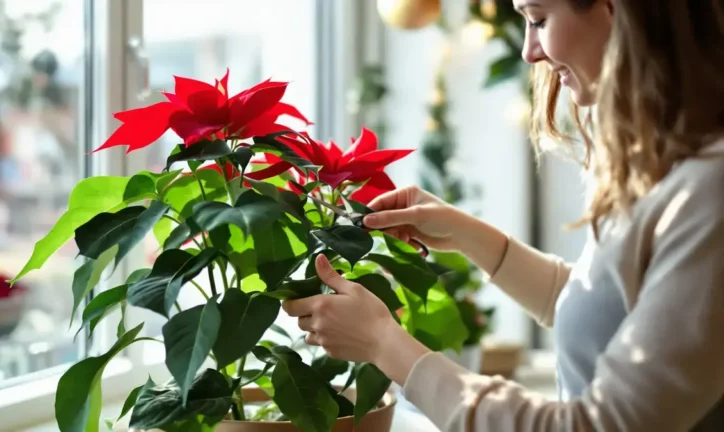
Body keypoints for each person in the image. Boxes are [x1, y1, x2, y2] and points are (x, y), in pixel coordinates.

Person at [283, 0, 724, 430]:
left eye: (538, 19)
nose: (529, 51)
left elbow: (603, 423)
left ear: (617, 11)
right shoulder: (667, 164)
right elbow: (605, 308)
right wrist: (467, 235)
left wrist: (384, 343)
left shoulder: (710, 193)